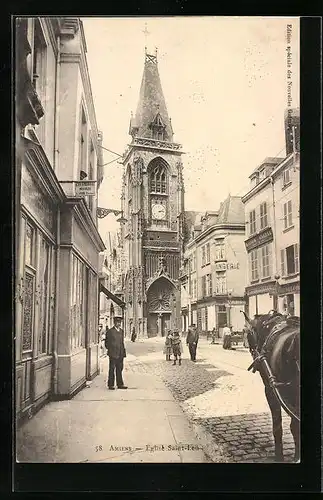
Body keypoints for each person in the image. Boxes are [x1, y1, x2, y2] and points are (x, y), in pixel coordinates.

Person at [105, 316, 128, 390]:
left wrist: (123, 352)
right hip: (113, 353)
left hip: (120, 353)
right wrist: (111, 349)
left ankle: (120, 384)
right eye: (117, 322)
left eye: (120, 322)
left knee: (119, 369)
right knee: (112, 369)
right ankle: (111, 384)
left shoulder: (121, 331)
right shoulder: (110, 331)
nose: (119, 323)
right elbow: (107, 343)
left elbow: (122, 342)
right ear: (114, 323)